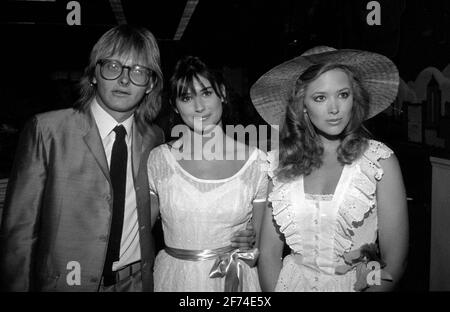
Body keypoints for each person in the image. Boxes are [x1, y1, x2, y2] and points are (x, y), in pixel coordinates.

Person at [0, 25, 165, 291]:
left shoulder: (154, 138)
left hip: (136, 282)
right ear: (93, 75)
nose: (124, 80)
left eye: (137, 71)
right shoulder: (47, 131)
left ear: (150, 84)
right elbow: (19, 234)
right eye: (112, 66)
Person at [253, 46, 409, 291]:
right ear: (303, 106)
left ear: (354, 98)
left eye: (343, 95)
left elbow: (394, 263)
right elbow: (269, 254)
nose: (334, 108)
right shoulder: (280, 164)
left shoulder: (379, 161)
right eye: (320, 98)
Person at [148, 56, 268, 291]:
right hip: (175, 279)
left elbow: (263, 243)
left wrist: (252, 242)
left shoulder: (257, 162)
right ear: (174, 105)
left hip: (234, 279)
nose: (199, 106)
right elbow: (138, 231)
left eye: (206, 93)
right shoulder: (159, 159)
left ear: (222, 93)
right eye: (186, 97)